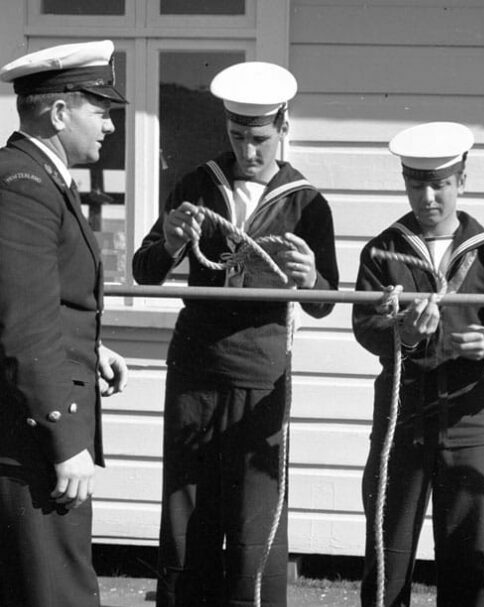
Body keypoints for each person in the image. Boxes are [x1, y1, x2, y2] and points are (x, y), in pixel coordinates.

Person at [132, 61, 339, 607]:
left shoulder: (306, 202)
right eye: (238, 137)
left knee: (255, 526)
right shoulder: (198, 185)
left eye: (261, 139)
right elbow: (145, 269)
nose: (249, 152)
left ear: (283, 127)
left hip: (260, 376)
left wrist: (309, 278)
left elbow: (324, 302)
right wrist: (173, 242)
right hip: (195, 372)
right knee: (187, 517)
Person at [352, 122, 484, 607]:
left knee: (467, 557)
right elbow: (365, 325)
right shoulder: (382, 250)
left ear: (462, 181)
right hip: (401, 419)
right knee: (388, 554)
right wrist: (402, 335)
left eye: (441, 184)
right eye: (417, 184)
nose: (428, 196)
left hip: (468, 420)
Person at [0, 40, 129, 607]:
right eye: (99, 111)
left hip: (30, 424)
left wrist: (90, 347)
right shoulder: (23, 186)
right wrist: (64, 440)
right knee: (58, 592)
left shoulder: (35, 177)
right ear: (58, 113)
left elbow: (50, 297)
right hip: (32, 437)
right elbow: (24, 324)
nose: (108, 126)